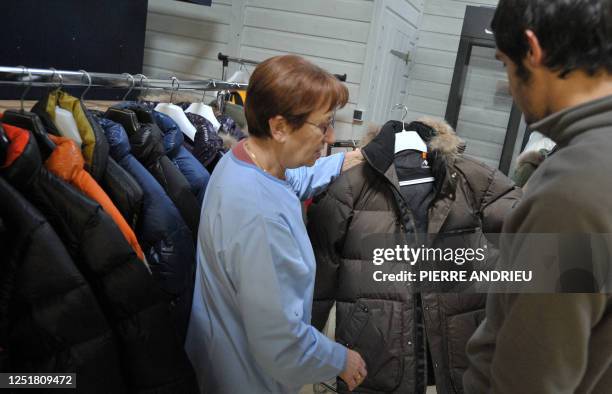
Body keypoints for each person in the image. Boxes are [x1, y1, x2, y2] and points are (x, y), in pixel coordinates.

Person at [185, 55, 367, 393]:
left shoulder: (244, 157)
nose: (330, 136)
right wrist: (341, 359)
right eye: (323, 125)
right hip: (246, 377)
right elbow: (281, 342)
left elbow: (290, 182)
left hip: (224, 350)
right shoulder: (259, 216)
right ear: (279, 127)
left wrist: (344, 161)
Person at [464, 1, 612, 392]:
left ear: (532, 49)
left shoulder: (575, 189)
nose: (510, 86)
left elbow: (533, 378)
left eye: (504, 63)